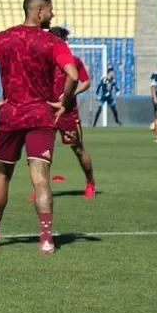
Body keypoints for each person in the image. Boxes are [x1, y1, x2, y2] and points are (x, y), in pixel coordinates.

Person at [0, 0, 79, 254]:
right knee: (40, 179)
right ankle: (46, 240)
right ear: (39, 11)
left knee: (2, 174)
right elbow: (73, 75)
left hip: (10, 114)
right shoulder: (52, 42)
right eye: (50, 10)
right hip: (40, 115)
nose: (52, 15)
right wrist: (64, 102)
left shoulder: (2, 38)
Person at [40, 26, 95, 199]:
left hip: (68, 113)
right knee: (41, 152)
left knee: (78, 149)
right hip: (46, 111)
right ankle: (40, 188)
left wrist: (71, 94)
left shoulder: (73, 61)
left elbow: (86, 81)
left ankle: (90, 183)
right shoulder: (42, 62)